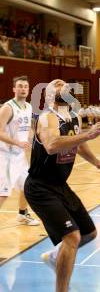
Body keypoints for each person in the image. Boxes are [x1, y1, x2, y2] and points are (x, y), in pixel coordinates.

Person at [24, 79, 100, 292]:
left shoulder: (73, 116)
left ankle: (54, 257)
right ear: (48, 95)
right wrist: (88, 133)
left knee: (89, 233)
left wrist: (96, 161)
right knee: (72, 237)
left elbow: (79, 142)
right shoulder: (48, 117)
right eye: (56, 84)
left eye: (64, 83)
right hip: (40, 187)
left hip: (60, 186)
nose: (62, 84)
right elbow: (51, 145)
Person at [0, 76, 39, 226]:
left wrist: (31, 139)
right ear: (14, 89)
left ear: (28, 90)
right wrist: (17, 142)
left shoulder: (28, 107)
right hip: (6, 157)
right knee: (3, 193)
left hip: (19, 156)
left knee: (27, 186)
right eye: (20, 86)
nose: (23, 89)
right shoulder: (8, 108)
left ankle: (23, 214)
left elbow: (27, 128)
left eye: (25, 86)